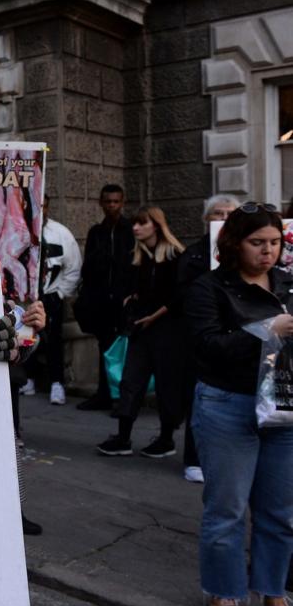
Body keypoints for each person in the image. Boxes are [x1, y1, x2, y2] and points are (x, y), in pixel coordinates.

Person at [184, 202, 293, 606]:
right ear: (234, 243)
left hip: (283, 405)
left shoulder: (287, 282)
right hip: (227, 403)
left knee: (280, 511)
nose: (267, 252)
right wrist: (268, 330)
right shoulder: (209, 287)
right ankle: (224, 597)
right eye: (257, 243)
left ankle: (274, 596)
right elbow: (208, 346)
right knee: (226, 510)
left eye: (274, 243)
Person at [96, 207, 185, 457]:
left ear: (156, 225)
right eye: (135, 223)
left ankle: (166, 439)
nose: (135, 227)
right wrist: (130, 300)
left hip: (168, 333)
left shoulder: (176, 256)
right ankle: (123, 437)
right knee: (130, 382)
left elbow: (180, 296)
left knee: (168, 386)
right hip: (141, 331)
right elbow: (132, 287)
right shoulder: (137, 256)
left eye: (141, 223)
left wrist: (154, 315)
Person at [176, 194, 240, 482]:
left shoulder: (247, 252)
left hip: (239, 341)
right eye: (218, 214)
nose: (224, 219)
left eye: (230, 214)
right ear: (206, 219)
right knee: (199, 400)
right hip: (201, 341)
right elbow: (185, 295)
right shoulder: (194, 254)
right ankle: (194, 458)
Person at [76, 185, 135, 412]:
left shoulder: (129, 230)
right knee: (104, 347)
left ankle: (121, 397)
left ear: (122, 203)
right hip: (101, 299)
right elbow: (89, 266)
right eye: (108, 201)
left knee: (123, 349)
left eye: (116, 201)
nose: (112, 206)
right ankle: (104, 394)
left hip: (122, 300)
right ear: (101, 203)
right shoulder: (96, 232)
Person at [20, 217, 81, 404]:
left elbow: (73, 266)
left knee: (54, 339)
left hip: (51, 294)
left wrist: (60, 294)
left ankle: (57, 383)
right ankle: (27, 379)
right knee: (25, 336)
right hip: (26, 295)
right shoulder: (20, 228)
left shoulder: (60, 233)